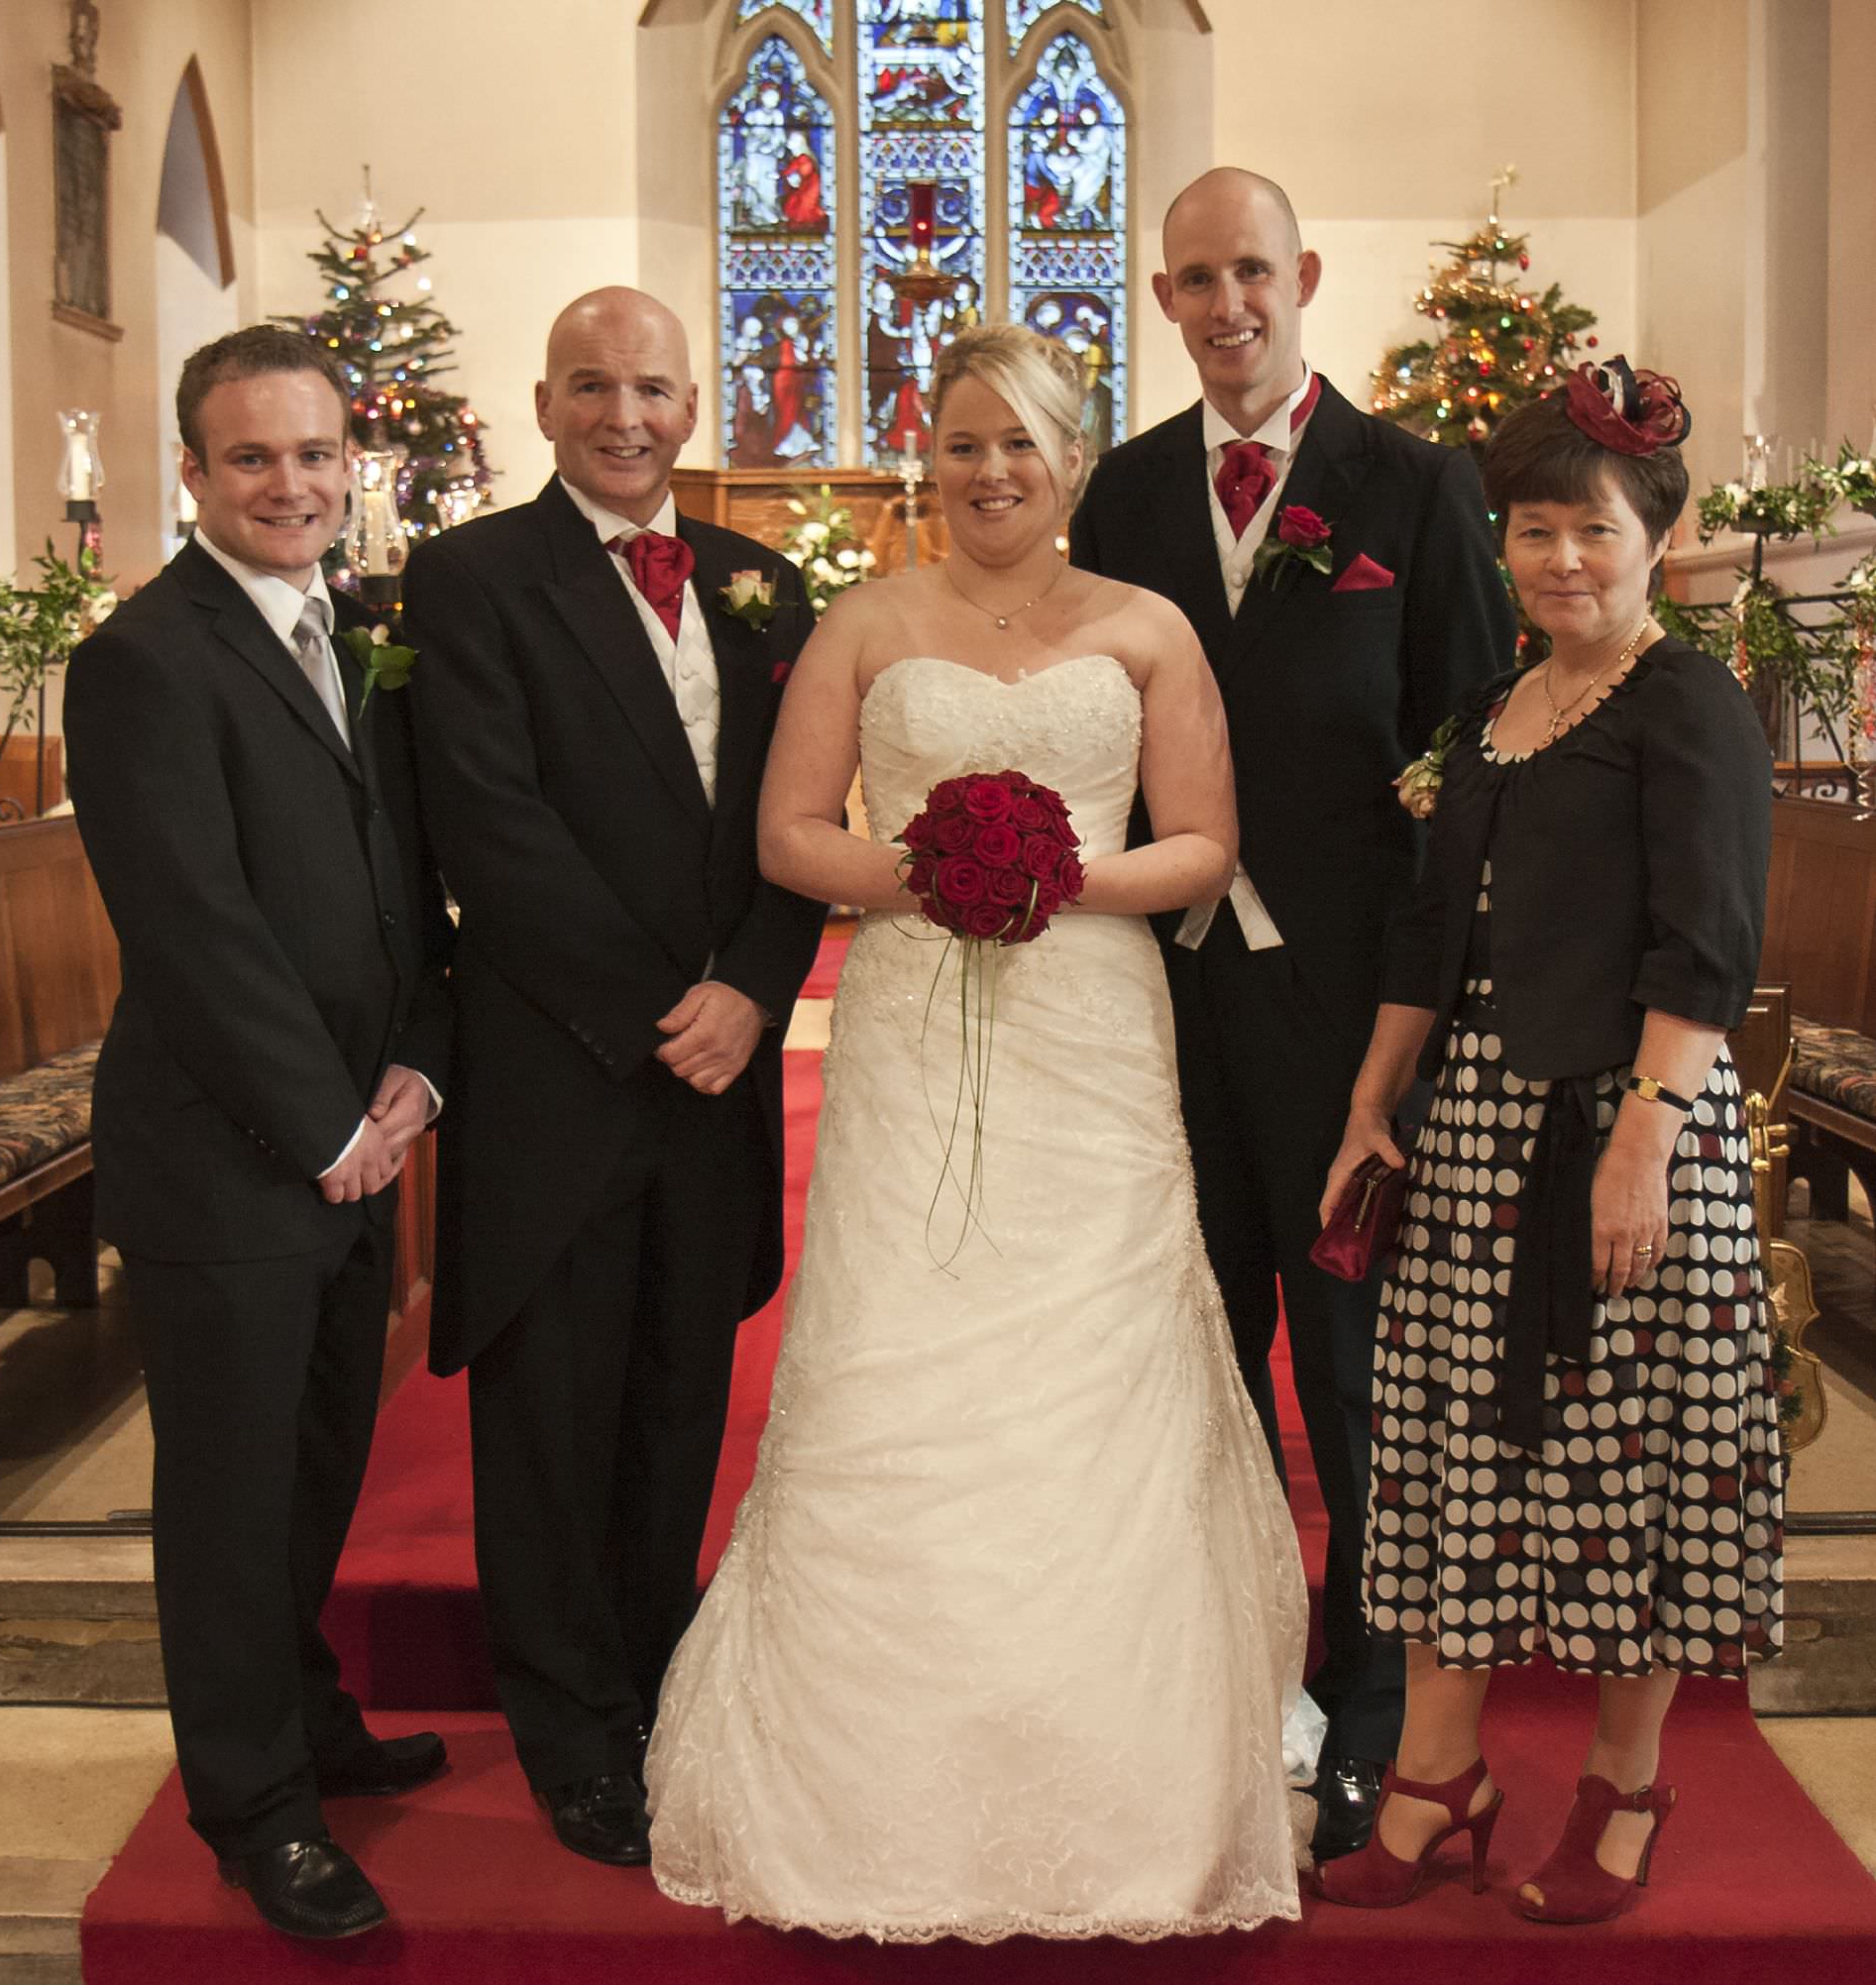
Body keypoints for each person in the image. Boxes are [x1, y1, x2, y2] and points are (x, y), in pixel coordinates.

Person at [647, 323, 1317, 1942]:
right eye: (962, 443)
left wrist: (1052, 877)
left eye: (1021, 442)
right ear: (925, 459)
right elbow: (794, 835)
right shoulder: (866, 628)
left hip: (1089, 1026)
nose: (992, 471)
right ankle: (870, 1796)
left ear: (1074, 460)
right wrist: (935, 873)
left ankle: (1128, 1784)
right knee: (899, 1347)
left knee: (1098, 1370)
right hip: (912, 1023)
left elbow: (1207, 844)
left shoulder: (1147, 628)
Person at [1067, 166, 1514, 1857]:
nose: (1227, 305)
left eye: (1252, 270)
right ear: (1165, 298)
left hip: (1352, 1029)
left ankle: (1377, 1714)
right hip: (1161, 1014)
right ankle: (1237, 1687)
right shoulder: (1116, 496)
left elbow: (1472, 758)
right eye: (1195, 280)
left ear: (1304, 275)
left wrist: (1427, 1034)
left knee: (1354, 1379)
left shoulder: (1415, 483)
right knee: (1198, 1362)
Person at [1312, 361, 1782, 1922]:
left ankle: (1627, 1790)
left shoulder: (1688, 699)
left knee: (1632, 1466)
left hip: (1625, 1129)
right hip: (1476, 1140)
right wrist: (1377, 1101)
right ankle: (1441, 1784)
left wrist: (1641, 1146)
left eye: (1590, 529)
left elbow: (1703, 945)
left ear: (1656, 532)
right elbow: (1430, 930)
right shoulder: (1499, 705)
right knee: (1452, 1456)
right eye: (1531, 531)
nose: (1560, 560)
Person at [400, 287, 823, 1870]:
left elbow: (799, 815)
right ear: (544, 402)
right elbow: (490, 834)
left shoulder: (764, 587)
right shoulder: (470, 580)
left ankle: (660, 1688)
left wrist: (758, 986)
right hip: (565, 1075)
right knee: (551, 1425)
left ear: (693, 402)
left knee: (674, 1407)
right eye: (592, 387)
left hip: (715, 1085)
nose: (624, 416)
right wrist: (675, 1007)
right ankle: (570, 1730)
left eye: (651, 387)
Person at [63, 327, 454, 1941]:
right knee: (228, 1500)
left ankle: (301, 1715)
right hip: (230, 1157)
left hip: (361, 1133)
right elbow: (191, 922)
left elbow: (413, 883)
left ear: (349, 455)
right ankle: (254, 1807)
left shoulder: (363, 632)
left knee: (313, 1469)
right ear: (192, 472)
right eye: (250, 459)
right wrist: (320, 1124)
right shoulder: (144, 658)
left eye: (312, 453)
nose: (288, 484)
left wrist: (419, 1071)